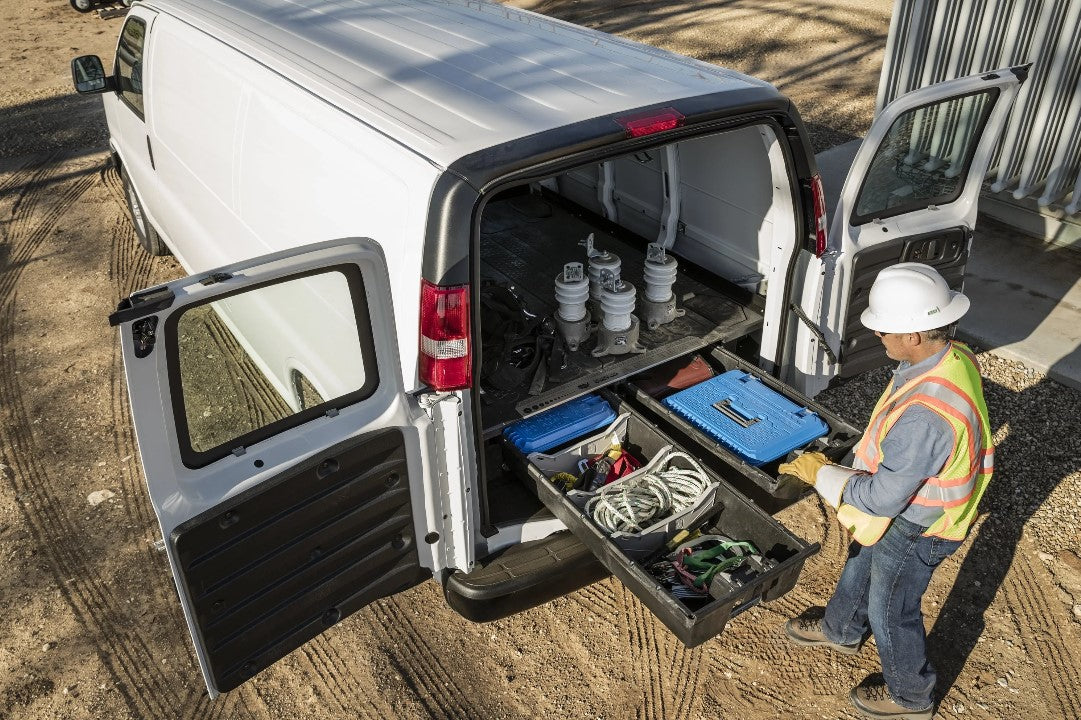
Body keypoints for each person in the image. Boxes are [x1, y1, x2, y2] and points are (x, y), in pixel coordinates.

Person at [779, 263, 994, 720]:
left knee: (892, 607)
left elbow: (881, 499)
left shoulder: (926, 415)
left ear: (913, 334)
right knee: (863, 559)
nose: (879, 337)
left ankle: (910, 696)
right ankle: (841, 628)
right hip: (913, 503)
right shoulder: (951, 357)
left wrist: (821, 473)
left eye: (883, 331)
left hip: (923, 522)